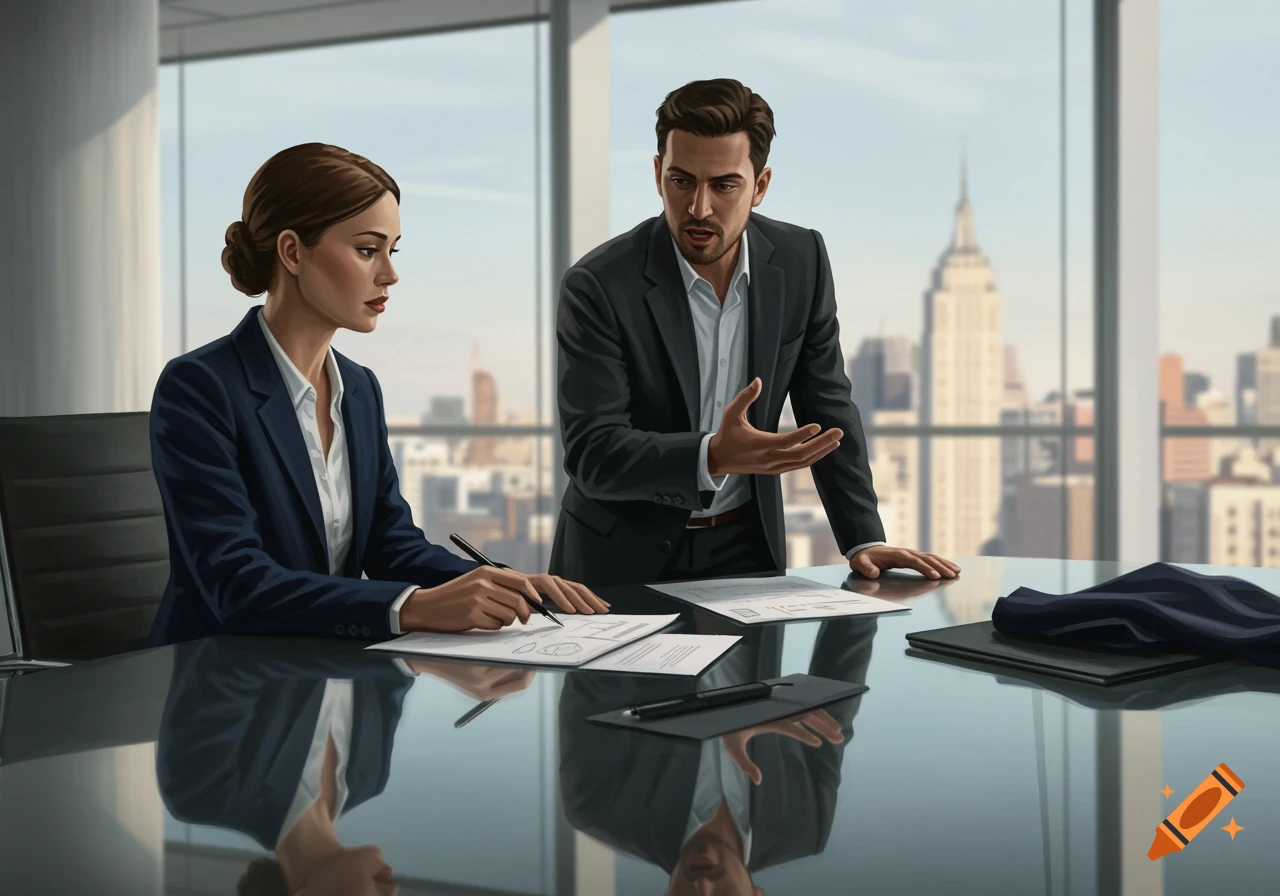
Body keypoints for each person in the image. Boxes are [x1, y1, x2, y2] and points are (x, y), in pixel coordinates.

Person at [148, 142, 607, 647]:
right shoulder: (201, 387)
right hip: (223, 685)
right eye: (368, 250)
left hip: (326, 670)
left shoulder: (359, 388)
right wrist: (413, 607)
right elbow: (235, 583)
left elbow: (392, 544)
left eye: (393, 250)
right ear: (292, 252)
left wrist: (498, 583)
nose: (389, 274)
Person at [550, 79, 960, 588]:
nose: (699, 208)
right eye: (681, 181)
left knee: (767, 675)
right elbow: (593, 452)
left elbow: (827, 406)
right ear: (658, 175)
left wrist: (864, 539)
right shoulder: (599, 284)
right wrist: (714, 455)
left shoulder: (801, 260)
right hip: (617, 562)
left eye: (724, 185)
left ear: (759, 186)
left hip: (748, 549)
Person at [157, 637, 537, 896]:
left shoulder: (204, 793)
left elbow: (233, 653)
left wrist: (414, 658)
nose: (394, 891)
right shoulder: (368, 776)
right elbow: (395, 660)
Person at [558, 616, 878, 895]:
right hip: (753, 592)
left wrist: (714, 713)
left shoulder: (598, 811)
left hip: (647, 586)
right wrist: (866, 592)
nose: (704, 888)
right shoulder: (805, 828)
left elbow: (590, 678)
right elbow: (835, 707)